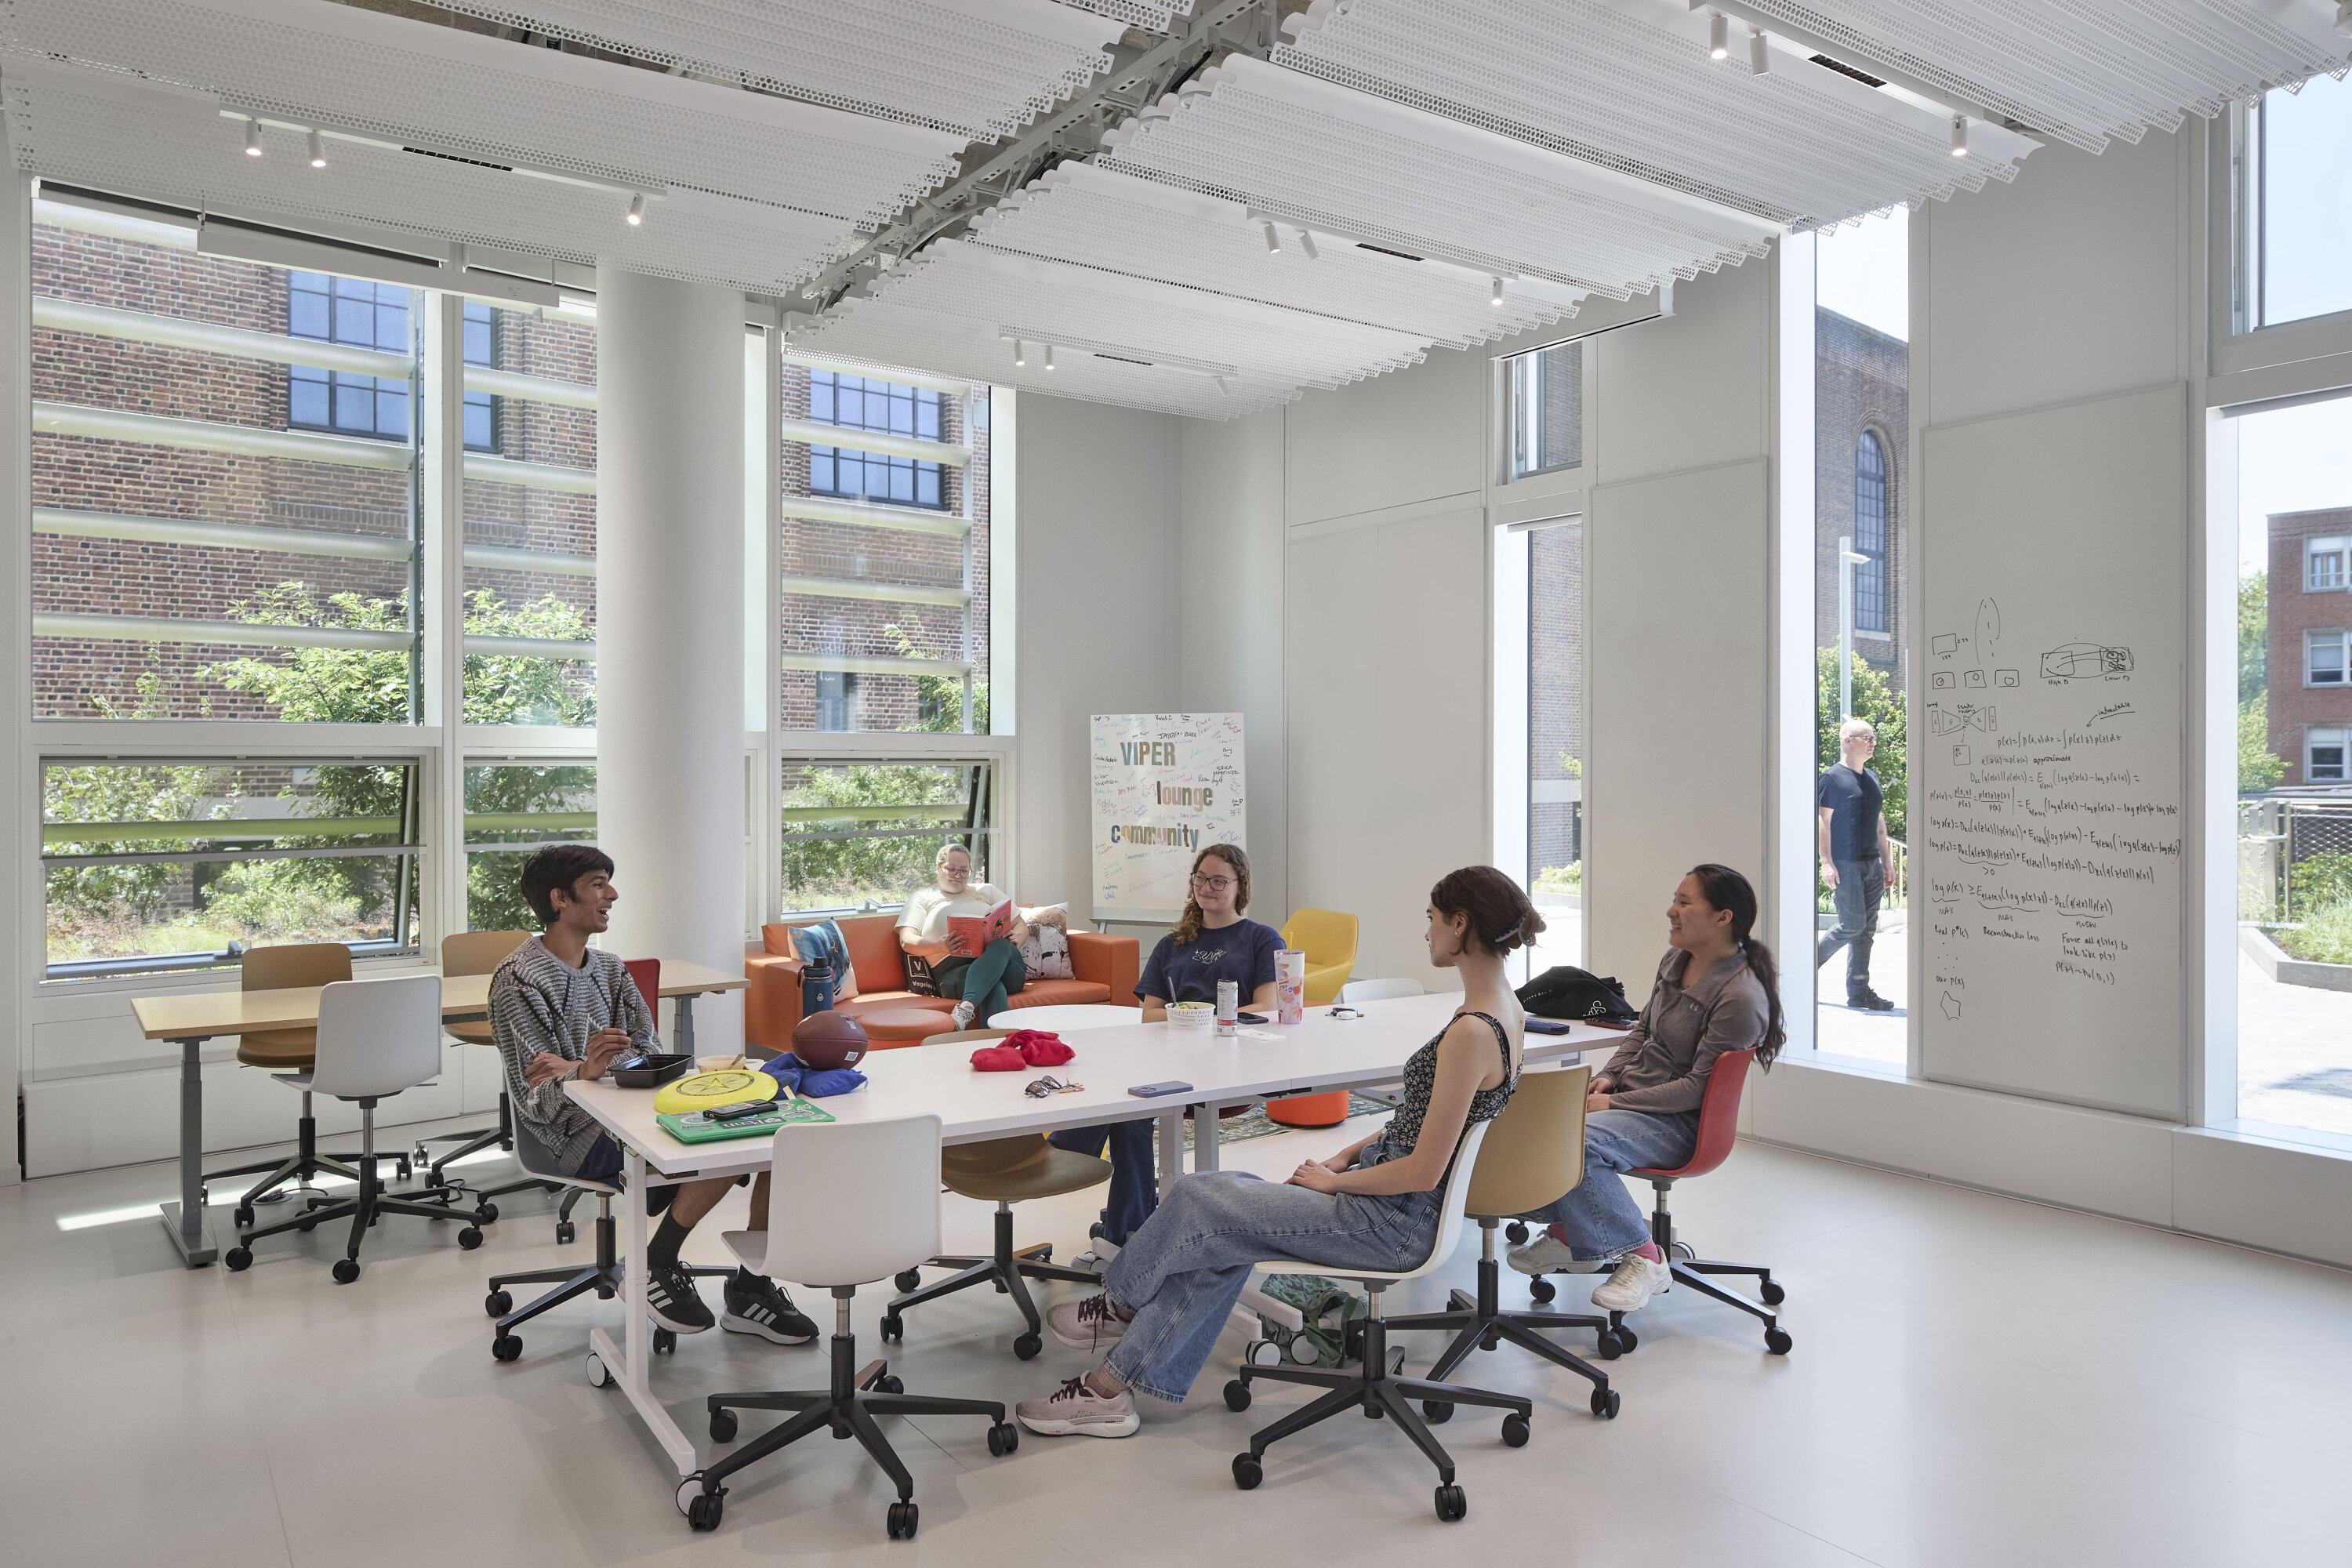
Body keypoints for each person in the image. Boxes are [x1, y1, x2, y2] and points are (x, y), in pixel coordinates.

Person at [1012, 866, 1540, 1439]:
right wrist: (1342, 1157)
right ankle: (1109, 1391)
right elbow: (1418, 1127)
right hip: (1389, 1204)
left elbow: (1424, 1167)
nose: (1427, 932)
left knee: (1197, 1194)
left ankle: (1118, 1306)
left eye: (1433, 920)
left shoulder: (1470, 1032)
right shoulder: (1505, 1012)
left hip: (1392, 1223)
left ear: (1461, 925)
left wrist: (1336, 1183)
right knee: (1220, 1225)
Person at [490, 844, 818, 1345]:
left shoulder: (610, 969)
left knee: (769, 1127)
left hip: (634, 1109)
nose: (612, 894)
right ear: (559, 898)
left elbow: (652, 1057)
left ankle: (751, 1287)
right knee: (724, 1140)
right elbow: (535, 1098)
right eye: (598, 884)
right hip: (569, 1132)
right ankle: (657, 1262)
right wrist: (584, 1073)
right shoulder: (518, 980)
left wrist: (583, 1067)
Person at [1507, 864, 1784, 1314]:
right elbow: (1643, 1029)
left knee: (1575, 1141)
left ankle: (1645, 1256)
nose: (1671, 911)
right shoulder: (1677, 960)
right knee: (1539, 1119)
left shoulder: (1740, 997)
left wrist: (1611, 1102)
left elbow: (1697, 1088)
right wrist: (1610, 1075)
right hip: (1635, 1101)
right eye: (1675, 899)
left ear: (1723, 918)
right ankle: (1569, 1233)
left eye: (1685, 902)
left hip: (1681, 1123)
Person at [1047, 844, 1283, 1248]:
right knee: (1127, 1108)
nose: (1207, 888)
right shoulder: (1172, 943)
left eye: (1219, 881)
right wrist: (1186, 1018)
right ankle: (1129, 1232)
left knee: (1128, 1101)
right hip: (1166, 1056)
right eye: (1201, 878)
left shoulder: (1261, 938)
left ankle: (1069, 1156)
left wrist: (1201, 1017)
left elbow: (1266, 1007)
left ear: (1241, 887)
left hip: (1228, 1058)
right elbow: (1150, 1015)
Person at [896, 842, 1062, 1030]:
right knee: (993, 986)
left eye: (964, 871)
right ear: (938, 868)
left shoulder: (987, 891)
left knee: (1001, 944)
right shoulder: (923, 897)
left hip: (1004, 965)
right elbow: (907, 940)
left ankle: (966, 1008)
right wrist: (939, 946)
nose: (958, 876)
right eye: (951, 869)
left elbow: (1020, 925)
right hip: (951, 971)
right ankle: (996, 1046)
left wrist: (1017, 937)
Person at [1816, 717, 1894, 1011]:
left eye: (1873, 737)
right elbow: (1824, 821)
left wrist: (1886, 861)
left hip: (1871, 863)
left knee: (1866, 931)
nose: (1873, 742)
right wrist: (1827, 862)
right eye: (1867, 738)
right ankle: (1802, 970)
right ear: (1848, 741)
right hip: (1845, 863)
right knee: (1852, 925)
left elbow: (1879, 823)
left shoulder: (1871, 778)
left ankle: (1859, 992)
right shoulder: (1832, 778)